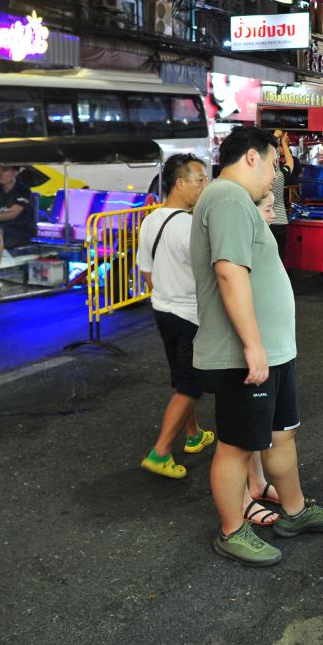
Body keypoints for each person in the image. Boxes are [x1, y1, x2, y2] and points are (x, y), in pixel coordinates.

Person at [191, 126, 323, 567]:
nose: (274, 175)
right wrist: (252, 346)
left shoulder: (237, 203)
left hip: (272, 350)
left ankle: (294, 512)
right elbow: (228, 273)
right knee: (237, 445)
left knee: (281, 434)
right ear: (251, 159)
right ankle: (232, 530)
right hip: (248, 354)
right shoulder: (226, 198)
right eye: (274, 164)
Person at [137, 154, 216, 482]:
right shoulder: (190, 226)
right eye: (199, 179)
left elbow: (147, 271)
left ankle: (194, 434)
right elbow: (213, 274)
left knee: (181, 377)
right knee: (189, 385)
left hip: (163, 311)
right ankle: (160, 452)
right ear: (180, 183)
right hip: (189, 316)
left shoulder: (151, 220)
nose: (204, 186)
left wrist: (166, 295)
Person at [0, 164, 37, 292]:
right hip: (0, 224)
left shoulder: (23, 190)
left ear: (15, 173)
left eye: (4, 170)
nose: (0, 174)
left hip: (20, 229)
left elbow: (13, 214)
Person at [269, 130, 293, 261]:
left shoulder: (261, 177)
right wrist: (284, 143)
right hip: (281, 223)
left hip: (266, 223)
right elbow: (290, 162)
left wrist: (274, 137)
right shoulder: (279, 175)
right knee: (279, 259)